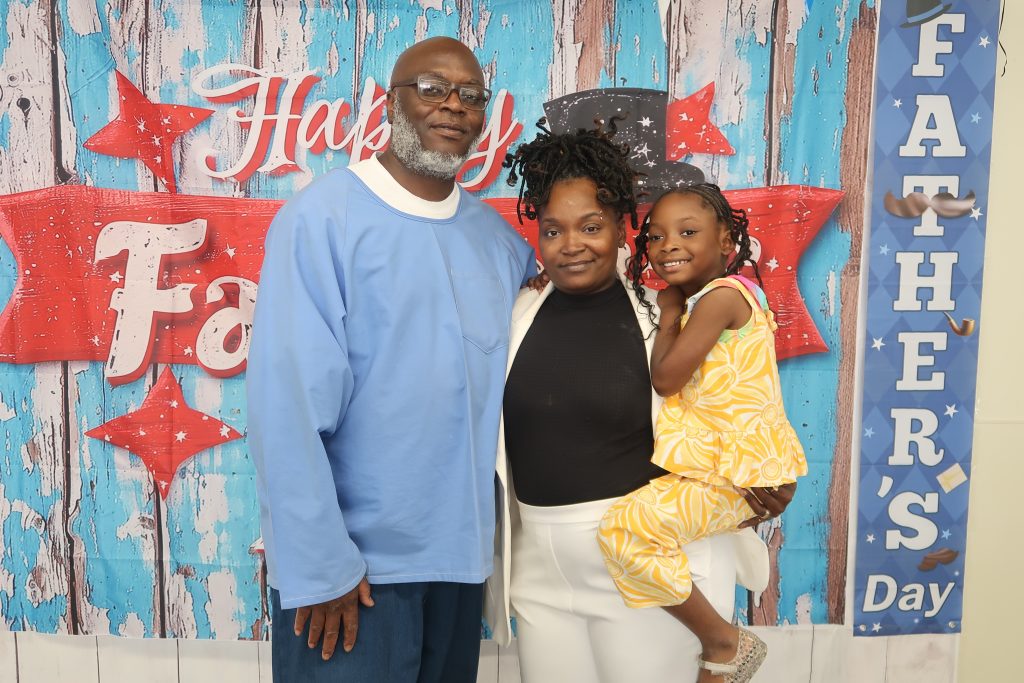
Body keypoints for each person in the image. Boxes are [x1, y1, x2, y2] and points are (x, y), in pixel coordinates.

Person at [246, 36, 535, 683]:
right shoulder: (322, 219)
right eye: (432, 88)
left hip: (462, 566)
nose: (453, 105)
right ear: (389, 102)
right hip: (355, 577)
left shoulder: (501, 246)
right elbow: (284, 406)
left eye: (470, 95)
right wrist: (321, 565)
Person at [485, 123, 795, 683]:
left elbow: (739, 397)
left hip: (647, 570)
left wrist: (759, 480)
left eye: (591, 227)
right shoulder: (515, 313)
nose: (572, 244)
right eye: (553, 231)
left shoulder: (669, 314)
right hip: (539, 575)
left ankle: (727, 646)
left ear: (626, 229)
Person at [597, 184, 808, 682]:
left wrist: (669, 312)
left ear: (728, 242)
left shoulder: (720, 298)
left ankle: (723, 641)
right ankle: (718, 643)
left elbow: (667, 378)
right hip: (724, 469)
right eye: (656, 236)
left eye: (688, 232)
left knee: (626, 529)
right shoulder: (717, 299)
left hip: (738, 474)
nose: (668, 245)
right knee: (633, 527)